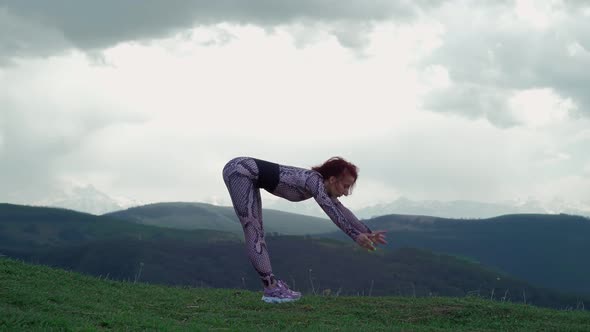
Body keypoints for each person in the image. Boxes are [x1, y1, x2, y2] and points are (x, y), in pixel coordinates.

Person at [222, 156, 387, 303]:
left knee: (257, 231)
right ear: (332, 179)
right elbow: (331, 211)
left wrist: (367, 232)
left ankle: (272, 287)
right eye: (345, 186)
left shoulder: (320, 186)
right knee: (253, 229)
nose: (345, 193)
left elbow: (341, 210)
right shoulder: (313, 181)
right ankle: (271, 289)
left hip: (246, 173)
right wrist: (355, 236)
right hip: (240, 170)